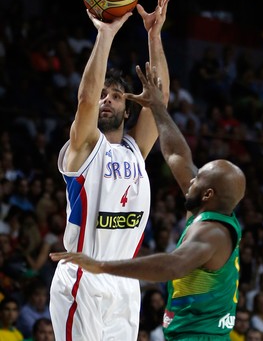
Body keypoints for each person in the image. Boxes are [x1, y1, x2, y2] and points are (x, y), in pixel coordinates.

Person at [50, 62, 246, 341]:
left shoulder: (212, 232)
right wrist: (157, 102)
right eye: (103, 94)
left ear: (208, 194)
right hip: (91, 277)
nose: (190, 180)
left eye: (197, 179)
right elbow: (178, 154)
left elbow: (171, 266)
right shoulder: (207, 207)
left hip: (194, 333)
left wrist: (103, 266)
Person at [48, 0, 170, 341]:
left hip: (124, 286)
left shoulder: (136, 150)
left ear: (127, 110)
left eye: (115, 96)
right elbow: (85, 99)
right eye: (104, 94)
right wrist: (105, 33)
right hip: (82, 280)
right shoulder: (85, 147)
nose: (106, 100)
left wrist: (154, 35)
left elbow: (160, 100)